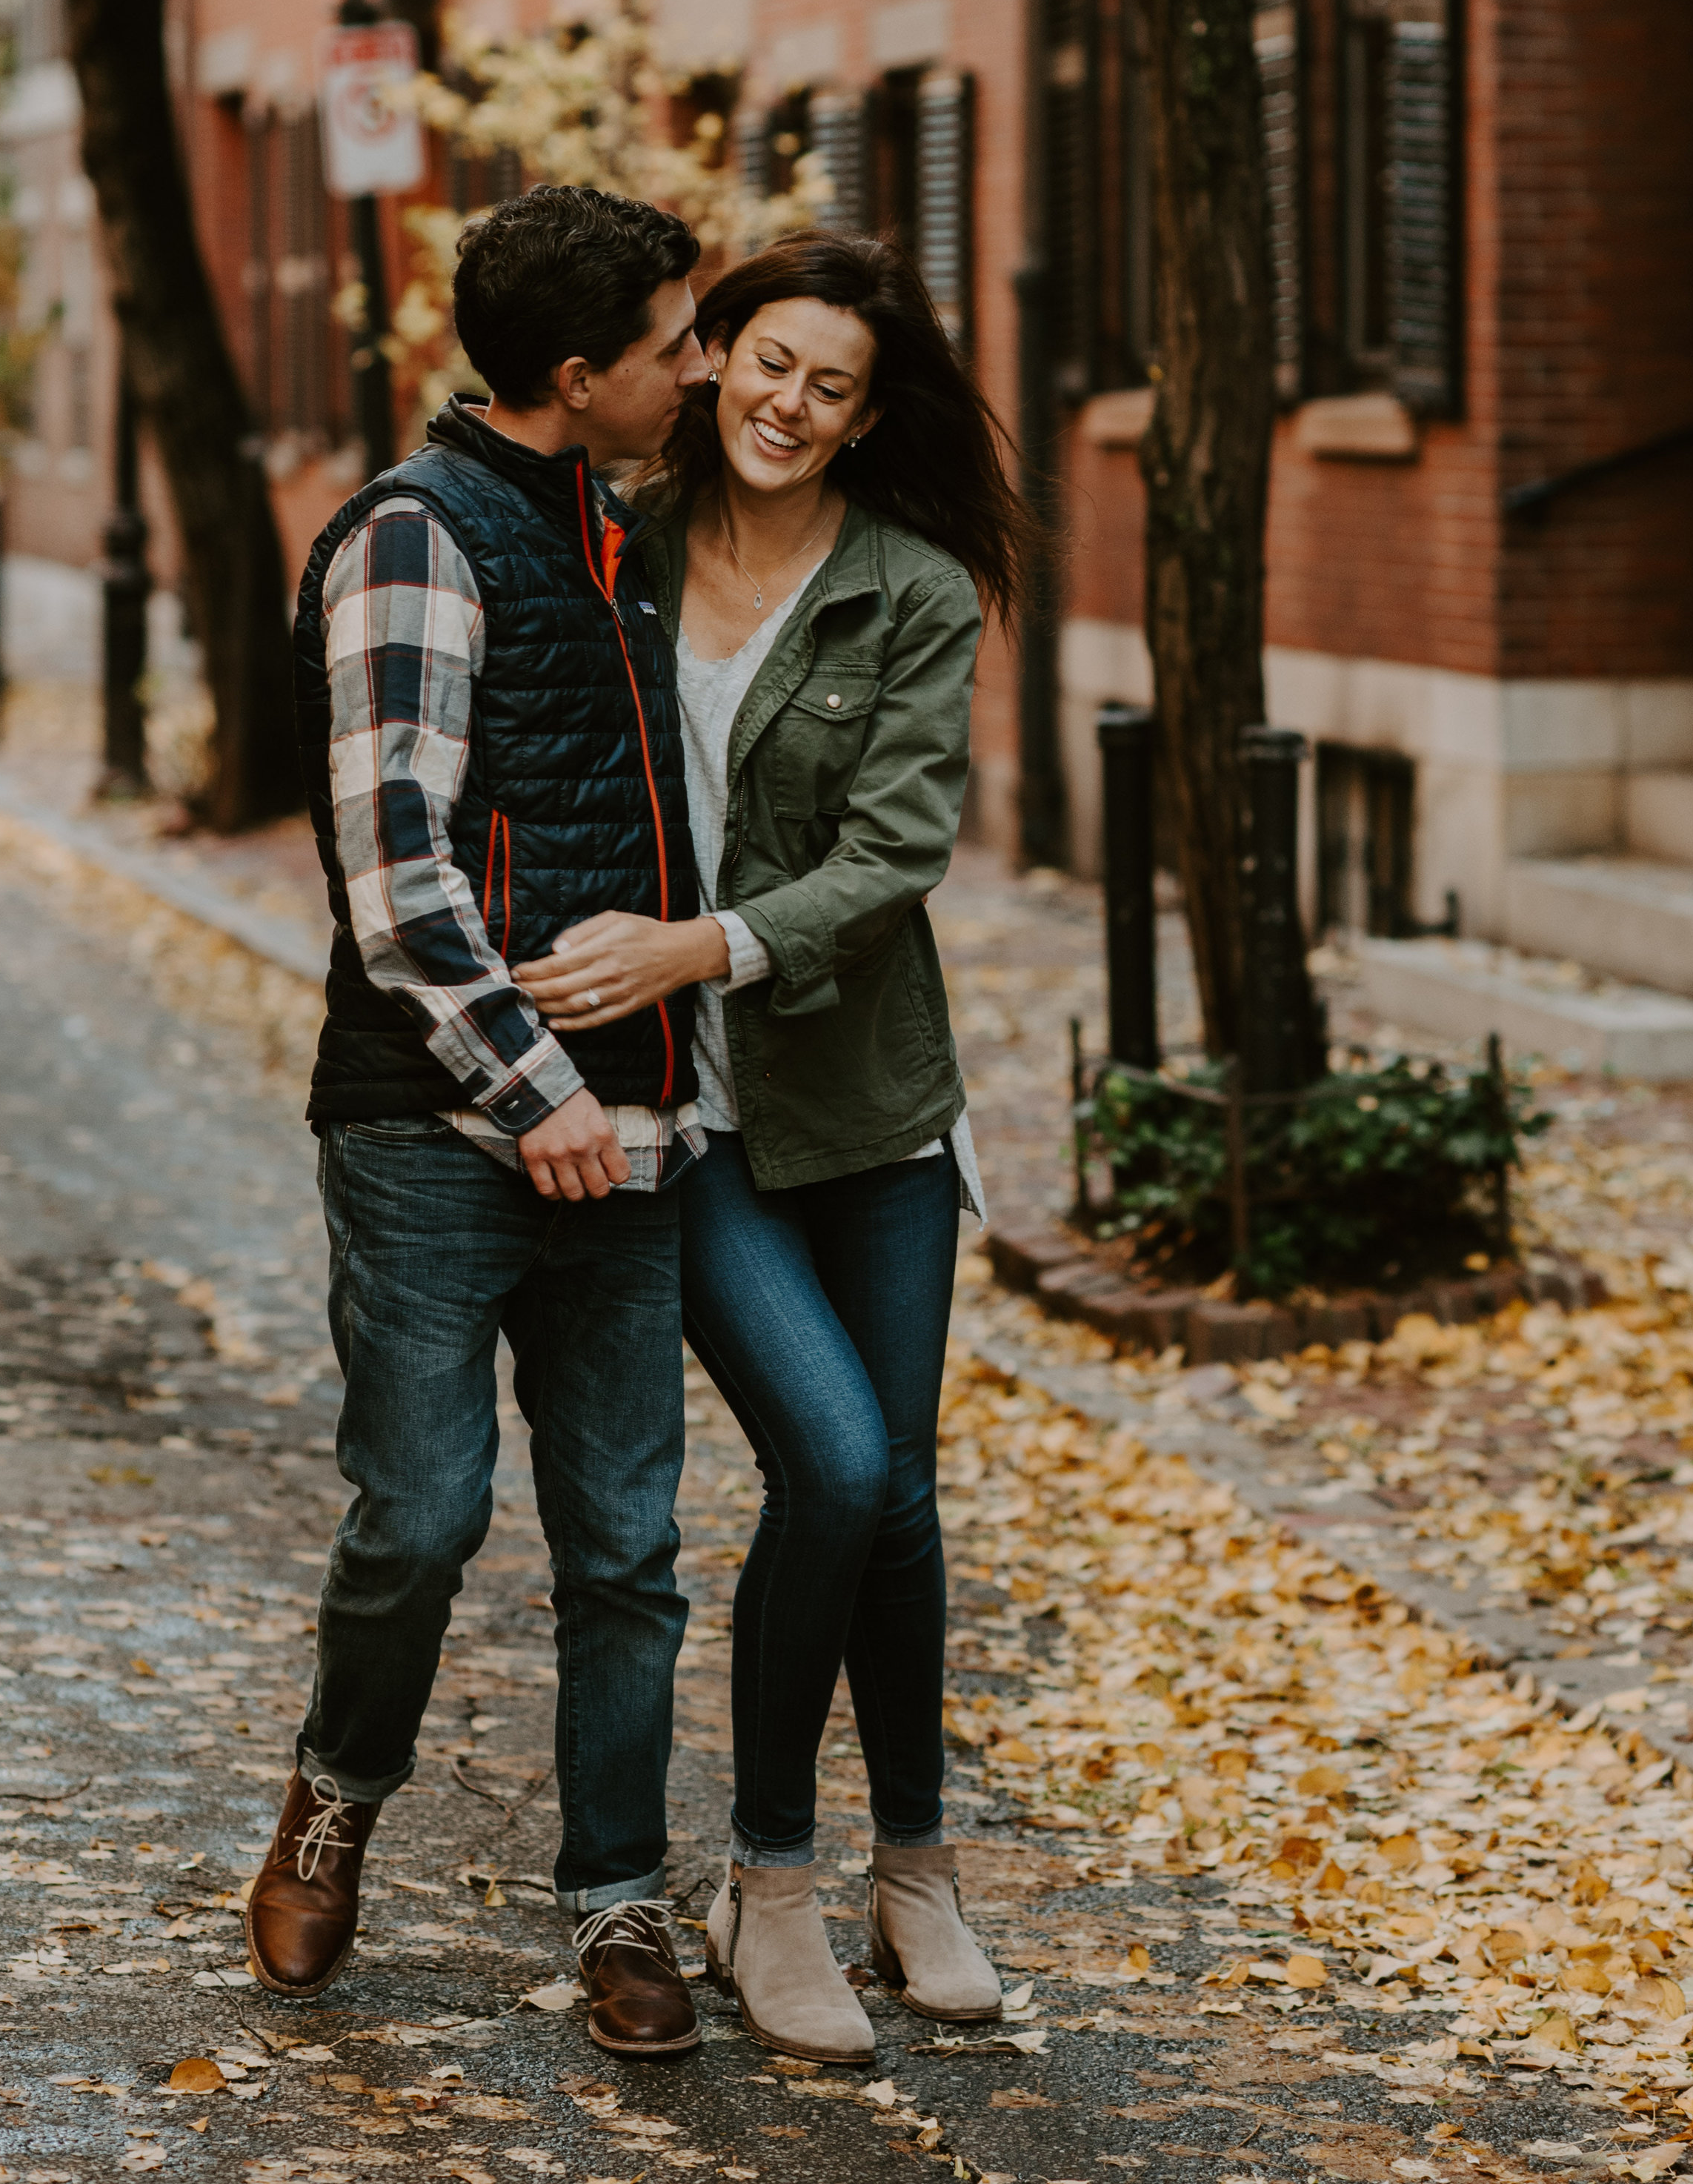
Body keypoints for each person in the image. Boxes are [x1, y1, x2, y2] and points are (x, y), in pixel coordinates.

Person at [516, 230, 1034, 2063]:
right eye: (765, 361)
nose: (789, 405)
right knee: (831, 1457)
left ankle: (917, 1871)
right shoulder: (610, 545)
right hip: (690, 1108)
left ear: (866, 412)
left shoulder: (908, 589)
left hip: (866, 1106)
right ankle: (772, 1879)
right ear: (711, 355)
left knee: (898, 1494)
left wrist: (703, 939)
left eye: (834, 384)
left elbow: (891, 855)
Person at [246, 185, 741, 2062]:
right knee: (424, 1514)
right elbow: (399, 883)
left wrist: (648, 1089)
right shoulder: (410, 540)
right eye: (678, 342)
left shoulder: (615, 530)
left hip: (623, 1143)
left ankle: (618, 1892)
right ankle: (334, 1790)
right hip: (434, 1140)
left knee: (625, 1541)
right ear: (574, 371)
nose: (697, 369)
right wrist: (533, 1093)